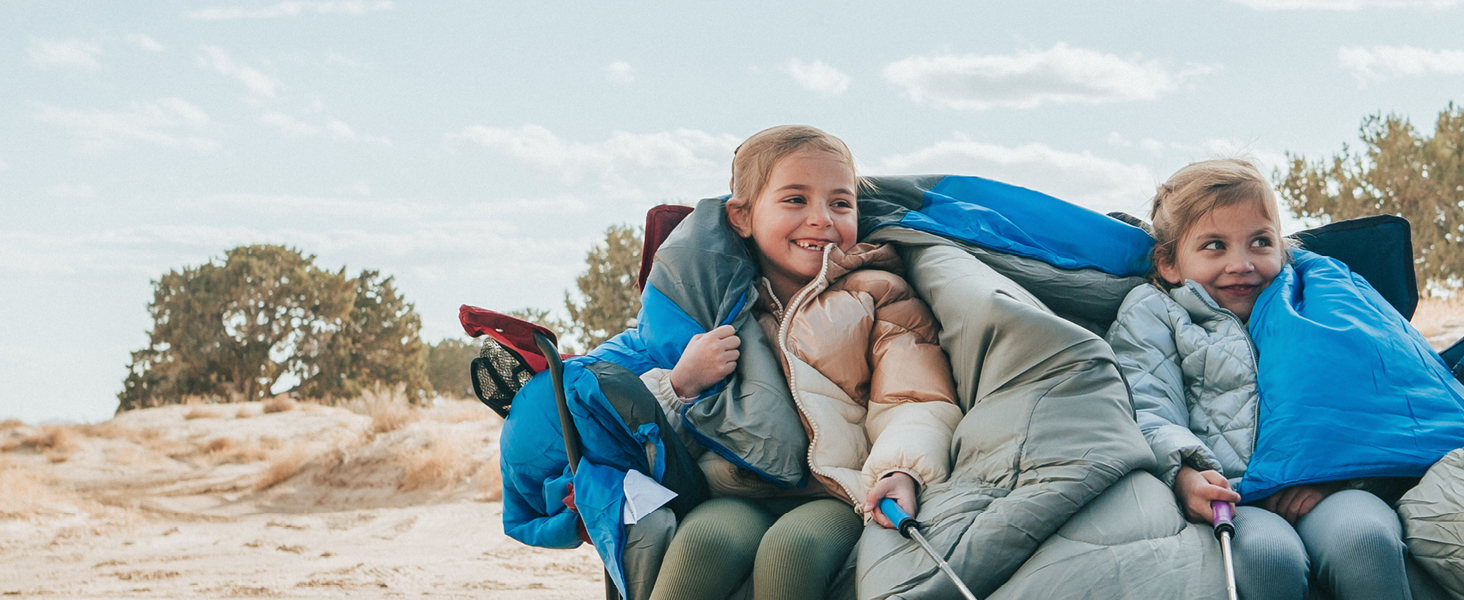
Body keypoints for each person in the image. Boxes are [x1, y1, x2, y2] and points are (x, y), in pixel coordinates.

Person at [638, 125, 963, 600]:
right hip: (737, 488)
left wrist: (902, 469)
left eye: (840, 203)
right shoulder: (717, 306)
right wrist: (683, 383)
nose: (822, 219)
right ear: (742, 217)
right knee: (702, 541)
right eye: (795, 200)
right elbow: (646, 410)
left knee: (793, 550)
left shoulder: (880, 294)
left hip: (835, 489)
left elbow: (913, 397)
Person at [1105, 158, 1419, 600]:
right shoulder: (1155, 313)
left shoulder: (1312, 302)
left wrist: (1334, 475)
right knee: (1268, 558)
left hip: (1326, 486)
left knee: (1364, 540)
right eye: (1214, 245)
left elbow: (1369, 396)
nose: (1242, 264)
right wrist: (1184, 475)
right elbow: (1147, 405)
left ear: (1282, 248)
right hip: (1236, 495)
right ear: (1169, 263)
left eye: (1260, 242)